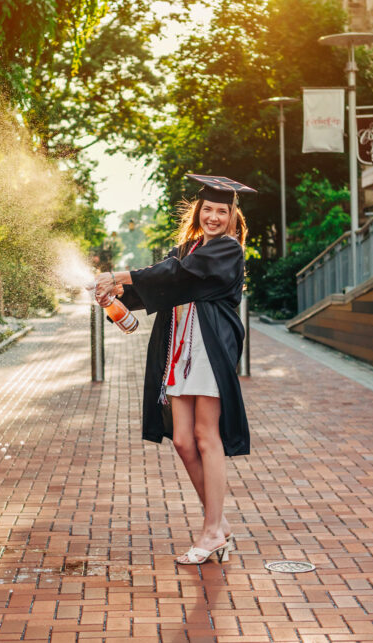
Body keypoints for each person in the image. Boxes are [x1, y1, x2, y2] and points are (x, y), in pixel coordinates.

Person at [93, 174, 253, 565]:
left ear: (233, 218)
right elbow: (162, 280)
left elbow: (178, 276)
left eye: (222, 211)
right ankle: (219, 524)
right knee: (183, 440)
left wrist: (120, 276)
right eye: (209, 209)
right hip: (180, 348)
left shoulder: (227, 250)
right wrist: (114, 293)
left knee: (205, 434)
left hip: (209, 347)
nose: (214, 216)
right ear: (199, 210)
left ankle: (212, 529)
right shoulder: (188, 247)